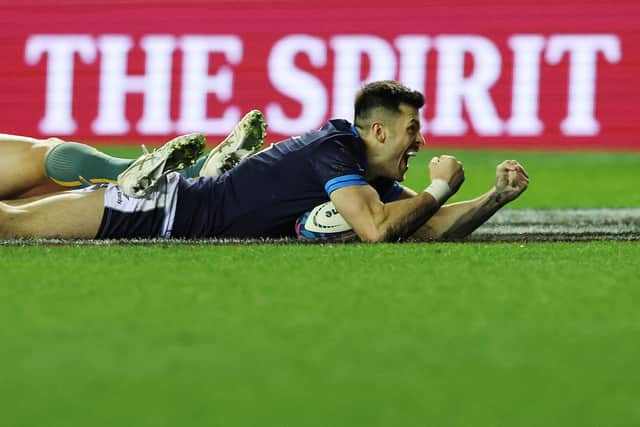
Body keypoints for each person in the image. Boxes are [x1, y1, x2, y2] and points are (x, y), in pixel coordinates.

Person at [0, 80, 528, 242]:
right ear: (378, 130)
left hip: (177, 202)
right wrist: (440, 188)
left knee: (27, 190)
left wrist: (494, 197)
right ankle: (148, 173)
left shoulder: (366, 171)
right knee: (11, 224)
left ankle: (187, 168)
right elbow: (376, 231)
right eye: (412, 130)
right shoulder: (336, 152)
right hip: (162, 209)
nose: (419, 141)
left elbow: (427, 227)